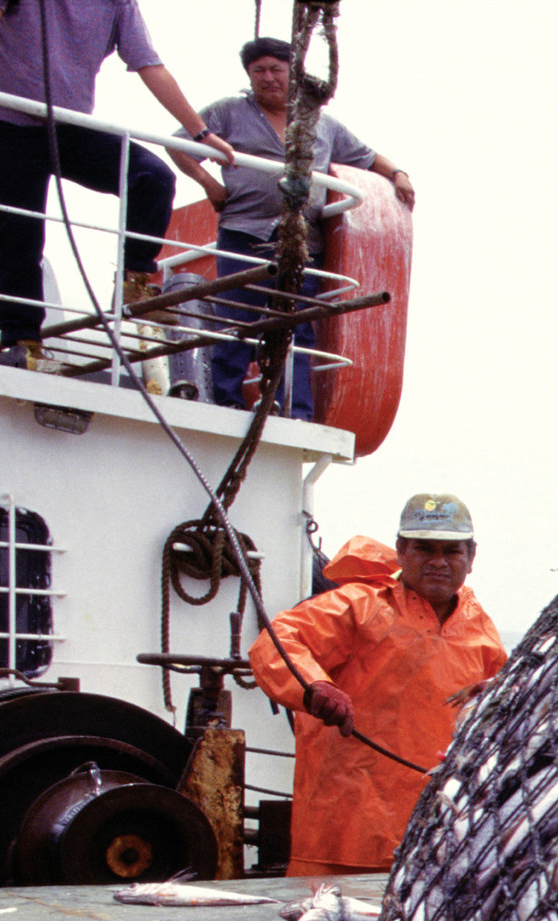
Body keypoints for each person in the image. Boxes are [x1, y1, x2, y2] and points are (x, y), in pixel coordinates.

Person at [0, 0, 232, 355]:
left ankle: (135, 281)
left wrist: (200, 133)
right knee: (19, 232)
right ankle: (23, 340)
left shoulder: (118, 3)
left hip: (66, 127)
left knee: (151, 177)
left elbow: (150, 65)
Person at [247, 494, 505, 877]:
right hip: (337, 843)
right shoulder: (357, 605)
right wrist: (314, 686)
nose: (438, 561)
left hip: (437, 844)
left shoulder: (482, 630)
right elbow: (278, 640)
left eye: (451, 550)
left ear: (471, 556)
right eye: (423, 548)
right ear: (401, 550)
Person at [174, 37, 414, 420]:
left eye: (276, 70)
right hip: (244, 232)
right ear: (249, 76)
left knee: (298, 327)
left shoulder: (322, 123)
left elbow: (367, 157)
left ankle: (295, 410)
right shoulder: (228, 112)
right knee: (237, 318)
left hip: (303, 242)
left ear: (293, 74)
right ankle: (226, 401)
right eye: (259, 71)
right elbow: (179, 143)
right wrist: (208, 183)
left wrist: (398, 174)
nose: (268, 78)